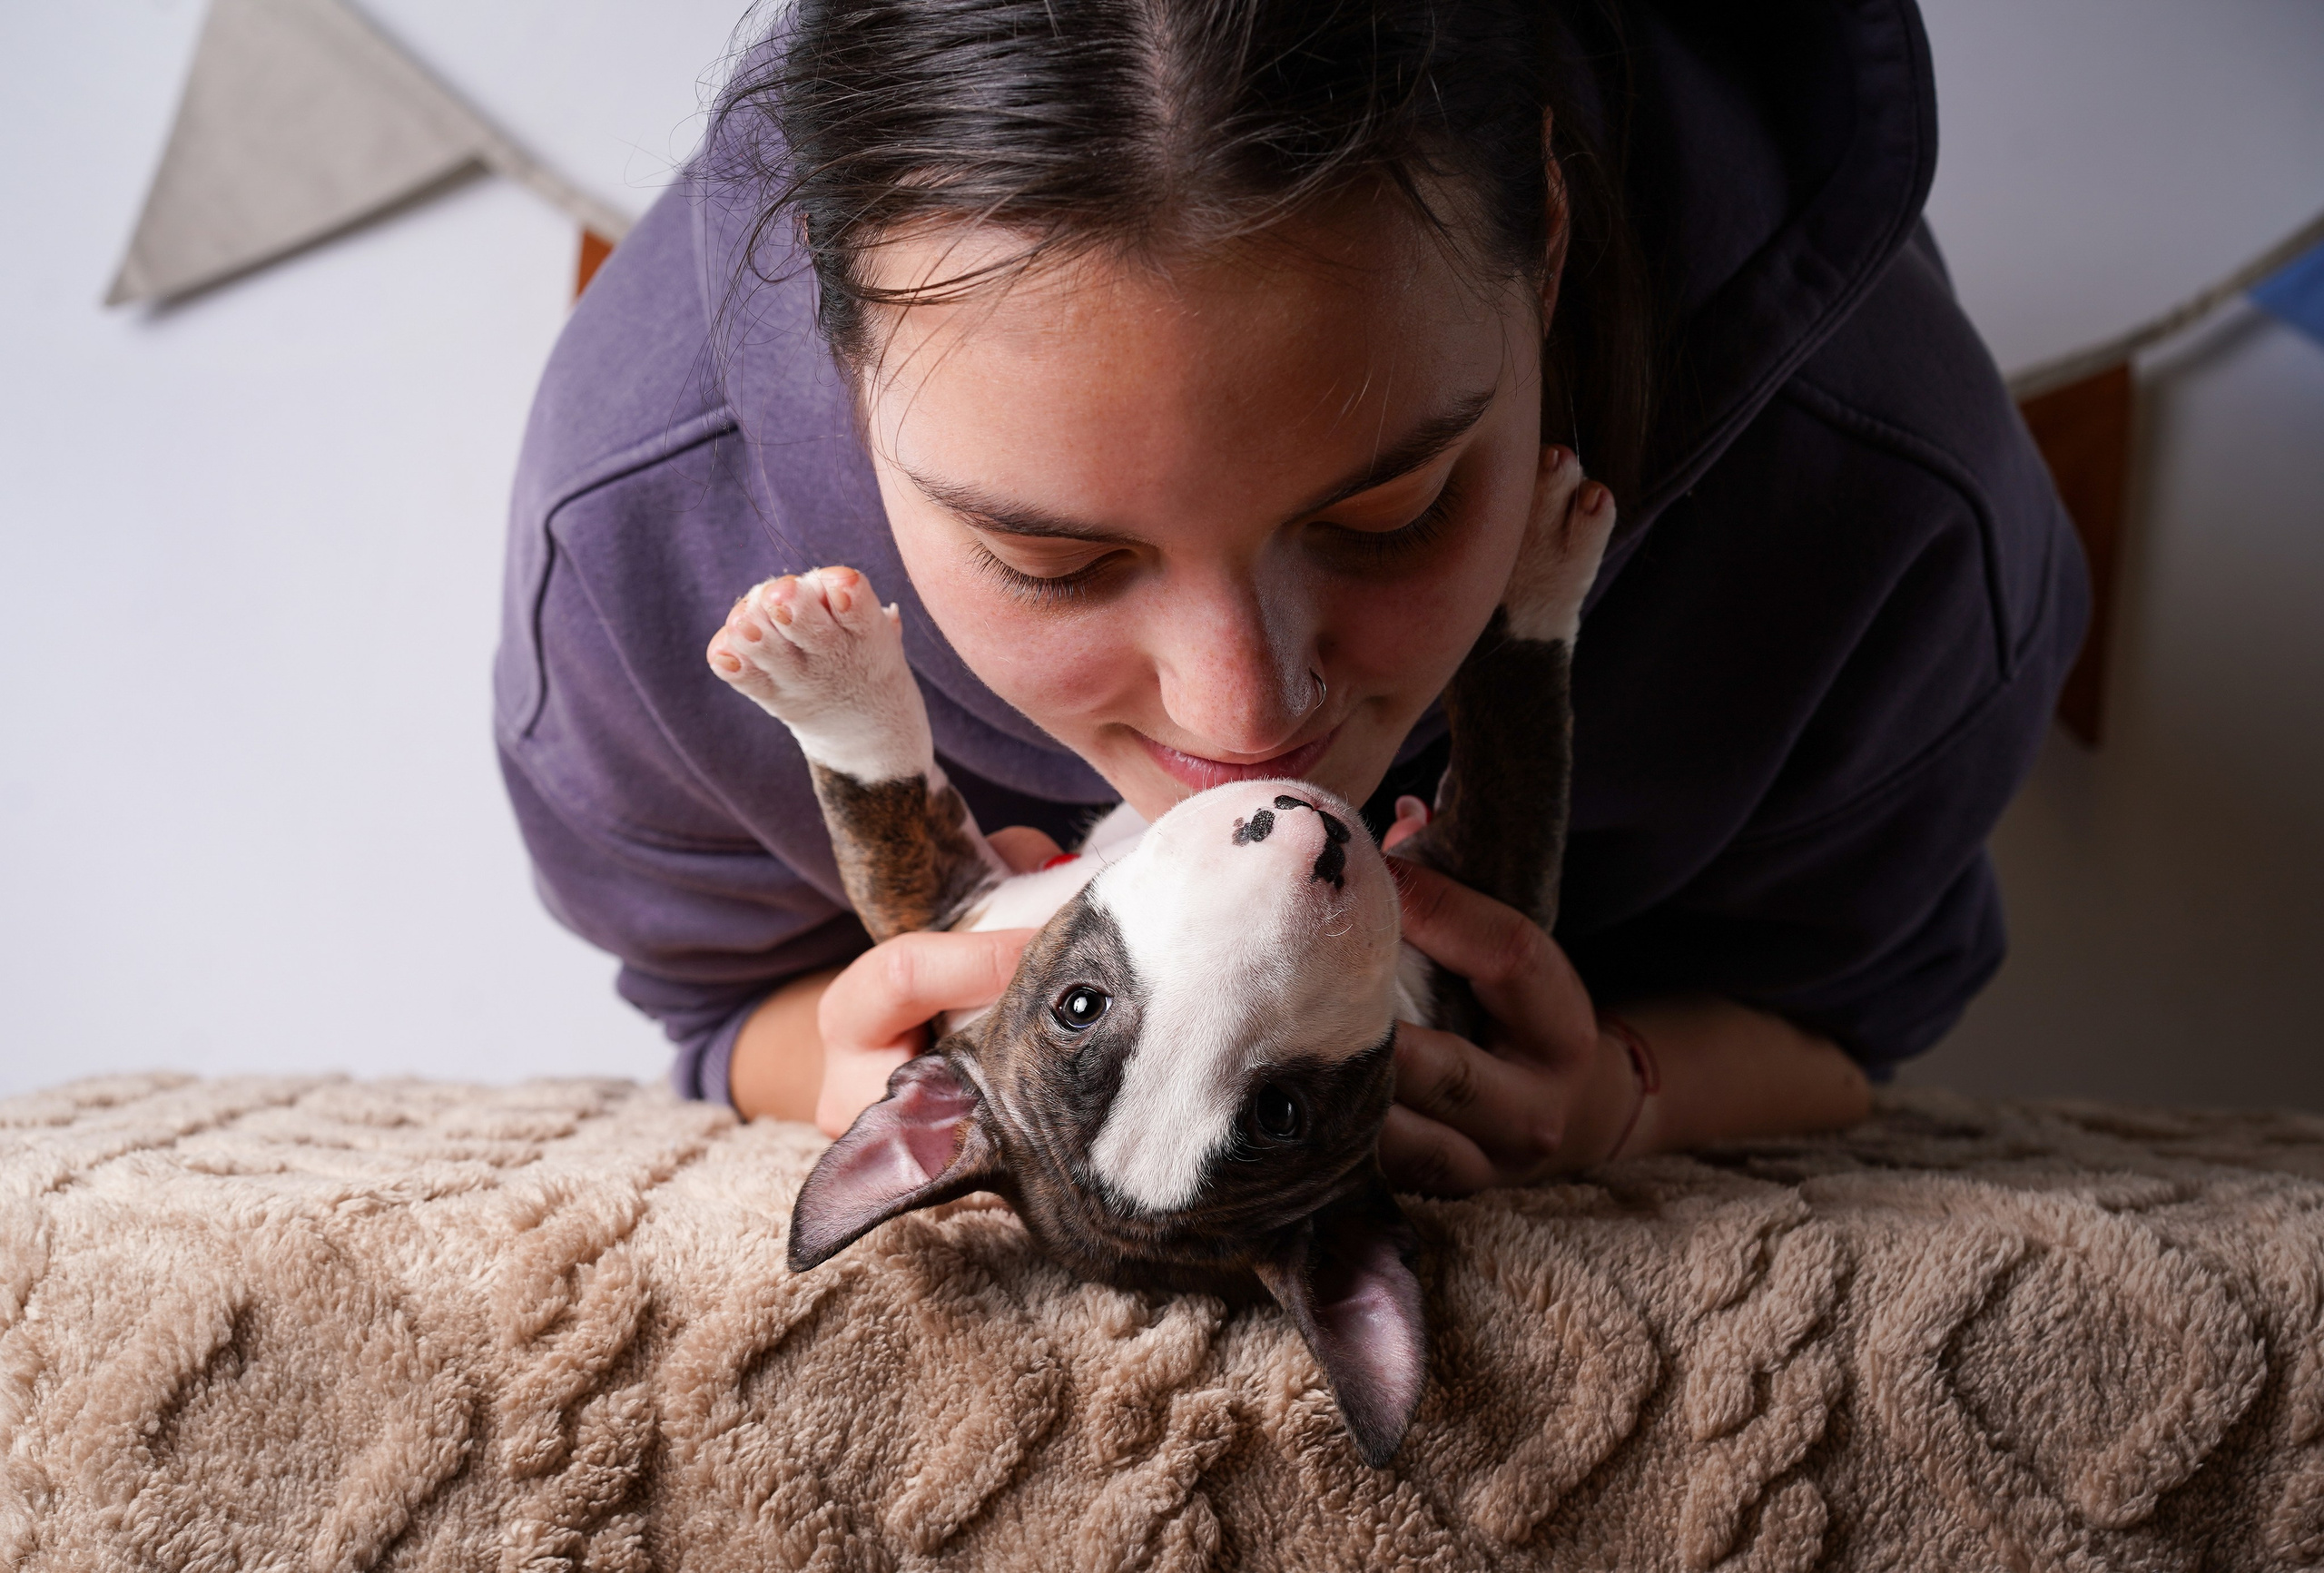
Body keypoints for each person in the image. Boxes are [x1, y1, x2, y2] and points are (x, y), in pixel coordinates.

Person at [495, 0, 2085, 1193]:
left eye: (1391, 512)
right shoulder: (642, 534)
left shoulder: (1880, 506)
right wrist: (856, 1067)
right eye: (1055, 560)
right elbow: (719, 998)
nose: (1243, 722)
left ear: (1545, 231)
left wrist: (1632, 1092)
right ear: (842, 357)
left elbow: (1842, 1020)